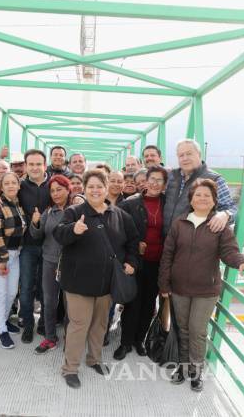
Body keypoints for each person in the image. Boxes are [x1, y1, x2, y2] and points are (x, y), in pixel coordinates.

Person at [159, 179, 244, 392]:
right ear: (191, 199)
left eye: (207, 196)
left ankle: (196, 370)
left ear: (214, 201)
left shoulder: (218, 226)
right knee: (183, 330)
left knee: (198, 330)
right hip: (179, 288)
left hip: (206, 290)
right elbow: (168, 255)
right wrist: (164, 284)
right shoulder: (179, 223)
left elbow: (229, 251)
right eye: (198, 195)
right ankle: (182, 368)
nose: (202, 198)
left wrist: (241, 262)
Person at [53, 169, 138, 389]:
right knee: (78, 325)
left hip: (107, 282)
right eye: (90, 186)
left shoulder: (120, 215)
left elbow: (132, 243)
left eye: (99, 186)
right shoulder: (74, 212)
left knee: (100, 324)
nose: (95, 190)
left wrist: (131, 262)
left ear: (106, 187)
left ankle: (94, 359)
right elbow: (59, 234)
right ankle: (70, 368)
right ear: (84, 188)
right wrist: (74, 229)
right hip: (78, 282)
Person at [0, 149, 51, 343]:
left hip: (48, 246)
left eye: (38, 164)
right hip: (25, 247)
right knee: (24, 289)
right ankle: (26, 324)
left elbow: (71, 195)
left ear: (45, 165)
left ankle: (43, 323)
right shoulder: (20, 185)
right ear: (25, 166)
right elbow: (2, 187)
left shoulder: (53, 184)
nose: (35, 167)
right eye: (30, 164)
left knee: (45, 289)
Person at [115, 166, 168, 360]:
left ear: (165, 184)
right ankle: (125, 342)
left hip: (158, 262)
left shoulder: (168, 204)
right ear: (145, 180)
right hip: (136, 261)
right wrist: (135, 244)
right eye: (152, 179)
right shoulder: (130, 203)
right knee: (133, 303)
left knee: (148, 303)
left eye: (159, 180)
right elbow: (118, 231)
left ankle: (140, 340)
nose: (155, 183)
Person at [29, 175, 72, 355]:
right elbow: (37, 236)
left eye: (59, 189)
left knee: (71, 304)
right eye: (52, 191)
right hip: (49, 261)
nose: (55, 194)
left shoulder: (76, 210)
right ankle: (50, 337)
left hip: (71, 264)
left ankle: (71, 338)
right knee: (49, 301)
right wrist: (35, 222)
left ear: (68, 190)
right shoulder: (49, 212)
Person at [163, 139, 237, 236]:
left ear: (199, 154)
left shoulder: (214, 179)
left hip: (193, 241)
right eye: (181, 155)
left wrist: (225, 215)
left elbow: (231, 208)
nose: (185, 158)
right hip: (167, 239)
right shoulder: (171, 176)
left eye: (189, 154)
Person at [0, 172, 27, 349]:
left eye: (13, 183)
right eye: (7, 183)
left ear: (19, 186)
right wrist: (2, 259)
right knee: (1, 292)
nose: (11, 186)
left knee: (12, 292)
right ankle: (1, 330)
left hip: (15, 254)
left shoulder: (18, 205)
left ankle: (1, 320)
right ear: (1, 187)